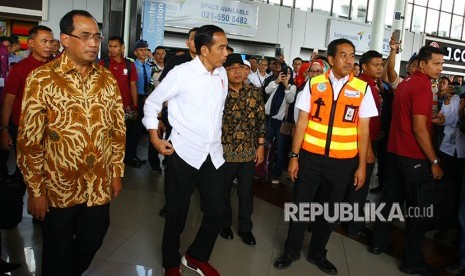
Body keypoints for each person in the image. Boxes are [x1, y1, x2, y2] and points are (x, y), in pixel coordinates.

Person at [16, 10, 125, 276]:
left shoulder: (107, 79)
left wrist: (116, 172)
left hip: (97, 183)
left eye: (96, 36)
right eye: (85, 36)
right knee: (56, 250)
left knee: (93, 237)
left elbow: (117, 130)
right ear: (65, 39)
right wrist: (36, 190)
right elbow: (29, 140)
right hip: (58, 187)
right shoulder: (42, 79)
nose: (93, 43)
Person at [273, 38, 377, 275]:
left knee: (331, 212)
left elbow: (363, 130)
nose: (350, 60)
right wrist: (294, 156)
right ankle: (291, 251)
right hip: (310, 157)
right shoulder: (313, 84)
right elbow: (301, 123)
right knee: (301, 207)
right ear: (331, 59)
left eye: (352, 55)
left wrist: (361, 166)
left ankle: (318, 252)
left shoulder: (362, 89)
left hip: (342, 163)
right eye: (344, 55)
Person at [143, 24, 228, 276]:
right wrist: (156, 140)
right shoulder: (182, 73)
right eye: (221, 47)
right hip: (183, 153)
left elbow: (217, 112)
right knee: (176, 215)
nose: (226, 52)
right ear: (204, 49)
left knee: (217, 211)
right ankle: (170, 262)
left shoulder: (221, 74)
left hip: (212, 155)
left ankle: (195, 256)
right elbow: (152, 103)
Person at [369, 45, 446, 276]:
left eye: (442, 64)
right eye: (436, 63)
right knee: (419, 210)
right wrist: (434, 161)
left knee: (390, 201)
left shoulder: (406, 83)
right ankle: (412, 260)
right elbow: (419, 129)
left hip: (394, 153)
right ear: (422, 64)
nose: (440, 68)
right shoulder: (422, 86)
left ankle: (377, 242)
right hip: (413, 156)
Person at [219, 53, 265, 246]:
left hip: (248, 151)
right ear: (225, 71)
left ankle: (246, 229)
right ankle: (224, 224)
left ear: (246, 70)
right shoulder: (218, 91)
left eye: (240, 67)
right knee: (223, 191)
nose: (237, 71)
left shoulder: (254, 91)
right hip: (223, 150)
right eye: (232, 68)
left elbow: (261, 120)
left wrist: (261, 146)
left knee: (245, 192)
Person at [0, 25, 54, 183]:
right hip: (23, 129)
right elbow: (8, 101)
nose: (48, 46)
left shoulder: (57, 68)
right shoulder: (19, 69)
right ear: (31, 43)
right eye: (44, 41)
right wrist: (3, 130)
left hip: (51, 130)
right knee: (24, 173)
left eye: (51, 42)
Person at [156, 27, 198, 218]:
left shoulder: (211, 65)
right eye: (193, 39)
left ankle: (186, 200)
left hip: (199, 129)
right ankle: (170, 204)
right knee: (174, 167)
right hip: (176, 125)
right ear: (187, 42)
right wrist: (159, 118)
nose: (197, 42)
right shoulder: (177, 62)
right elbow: (161, 93)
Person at [346, 50, 383, 238]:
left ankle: (348, 221)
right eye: (375, 64)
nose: (380, 68)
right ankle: (355, 226)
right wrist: (367, 149)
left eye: (381, 64)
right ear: (365, 66)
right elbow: (361, 122)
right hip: (363, 143)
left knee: (355, 184)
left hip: (365, 141)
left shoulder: (372, 85)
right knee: (360, 185)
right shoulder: (364, 87)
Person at [98, 35, 138, 172]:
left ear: (122, 48)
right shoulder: (103, 64)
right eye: (110, 46)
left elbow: (133, 86)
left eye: (115, 46)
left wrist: (135, 105)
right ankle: (106, 161)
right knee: (107, 135)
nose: (112, 49)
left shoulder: (129, 64)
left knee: (123, 136)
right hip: (106, 107)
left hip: (125, 108)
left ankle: (120, 162)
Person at [263, 59, 296, 183]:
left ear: (291, 75)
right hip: (270, 120)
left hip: (281, 123)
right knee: (267, 147)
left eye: (288, 73)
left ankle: (276, 174)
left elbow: (291, 99)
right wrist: (277, 81)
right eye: (283, 73)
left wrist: (287, 85)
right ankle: (264, 171)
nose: (285, 76)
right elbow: (267, 91)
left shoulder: (292, 86)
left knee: (280, 150)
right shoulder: (275, 83)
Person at [132, 39, 157, 169]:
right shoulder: (132, 65)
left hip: (146, 99)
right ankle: (130, 156)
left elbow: (158, 70)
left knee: (140, 130)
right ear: (135, 52)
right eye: (141, 49)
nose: (144, 52)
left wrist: (152, 58)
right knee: (133, 129)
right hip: (136, 98)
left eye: (146, 49)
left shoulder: (149, 66)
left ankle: (133, 155)